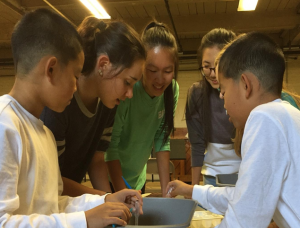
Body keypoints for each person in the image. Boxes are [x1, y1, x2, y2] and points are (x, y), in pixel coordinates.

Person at [0, 9, 143, 228]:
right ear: (51, 69)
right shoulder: (5, 126)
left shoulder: (41, 131)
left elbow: (52, 204)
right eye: (75, 75)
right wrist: (84, 221)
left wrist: (104, 202)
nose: (77, 86)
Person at [166, 32, 300, 228]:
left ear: (246, 85)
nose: (221, 96)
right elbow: (244, 198)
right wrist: (192, 191)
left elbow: (246, 218)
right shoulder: (286, 116)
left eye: (225, 90)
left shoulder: (264, 117)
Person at [40, 17, 146, 197]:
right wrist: (104, 200)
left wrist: (110, 201)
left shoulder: (109, 102)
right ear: (103, 65)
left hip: (67, 201)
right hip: (45, 204)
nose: (130, 94)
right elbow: (52, 180)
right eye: (127, 82)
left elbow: (97, 160)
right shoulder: (61, 101)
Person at [105, 21, 179, 196]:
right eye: (152, 70)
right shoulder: (128, 91)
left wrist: (165, 192)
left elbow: (162, 139)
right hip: (111, 177)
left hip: (138, 178)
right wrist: (122, 192)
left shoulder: (172, 90)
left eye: (167, 71)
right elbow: (111, 147)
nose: (160, 80)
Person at [185, 28, 240, 187]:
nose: (213, 74)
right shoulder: (197, 94)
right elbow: (196, 146)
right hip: (211, 178)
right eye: (206, 67)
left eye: (218, 66)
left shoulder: (244, 94)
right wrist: (193, 191)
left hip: (244, 176)